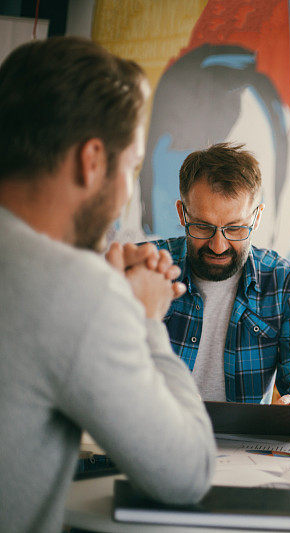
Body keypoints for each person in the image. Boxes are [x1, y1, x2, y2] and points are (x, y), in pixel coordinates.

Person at [0, 37, 216, 532]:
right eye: (131, 166)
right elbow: (187, 473)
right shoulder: (77, 290)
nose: (127, 190)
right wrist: (141, 317)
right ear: (92, 160)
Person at [150, 143, 290, 410]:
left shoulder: (289, 285)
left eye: (235, 229)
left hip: (243, 447)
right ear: (181, 213)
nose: (218, 245)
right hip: (148, 436)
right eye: (202, 226)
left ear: (257, 218)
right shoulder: (146, 267)